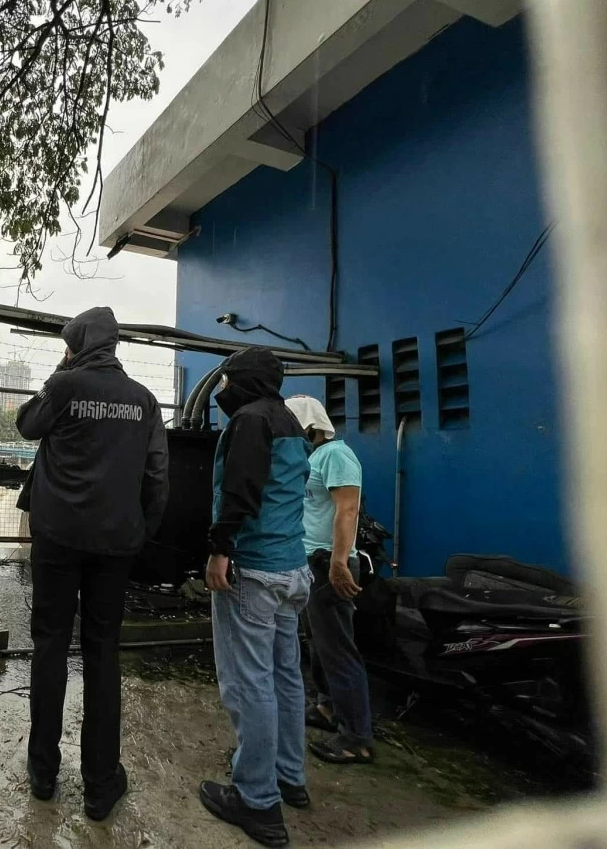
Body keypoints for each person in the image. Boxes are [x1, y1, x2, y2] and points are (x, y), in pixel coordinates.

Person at [15, 307, 169, 821]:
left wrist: (61, 373)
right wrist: (139, 531)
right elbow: (157, 477)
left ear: (76, 343)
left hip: (57, 538)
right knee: (104, 655)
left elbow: (25, 425)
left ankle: (43, 771)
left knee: (51, 646)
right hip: (115, 544)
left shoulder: (65, 385)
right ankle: (102, 786)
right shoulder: (144, 400)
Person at [198, 348, 312, 849]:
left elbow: (241, 491)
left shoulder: (248, 421)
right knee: (286, 677)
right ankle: (288, 775)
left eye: (226, 380)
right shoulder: (288, 420)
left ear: (242, 381)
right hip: (292, 570)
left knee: (249, 684)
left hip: (255, 570)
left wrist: (220, 549)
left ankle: (258, 801)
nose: (221, 390)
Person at [284, 395, 375, 765]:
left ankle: (357, 737)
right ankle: (326, 707)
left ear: (309, 426)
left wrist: (339, 561)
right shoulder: (313, 458)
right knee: (317, 643)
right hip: (312, 563)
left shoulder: (337, 455)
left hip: (329, 565)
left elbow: (348, 508)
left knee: (338, 650)